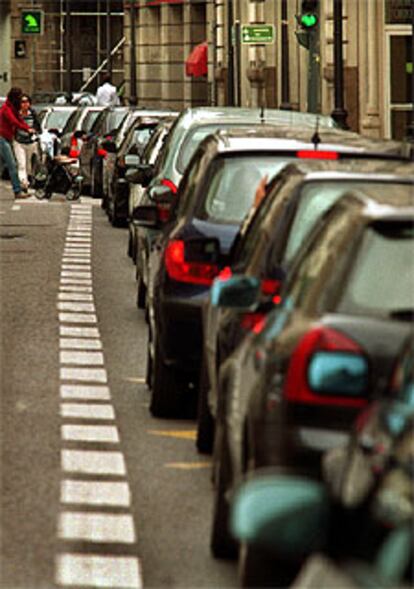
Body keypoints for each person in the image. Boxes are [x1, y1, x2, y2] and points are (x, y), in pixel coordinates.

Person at [0, 87, 34, 199]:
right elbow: (13, 121)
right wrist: (27, 129)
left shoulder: (12, 108)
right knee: (12, 165)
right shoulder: (6, 109)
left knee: (2, 165)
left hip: (7, 138)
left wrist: (27, 127)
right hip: (2, 138)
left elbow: (19, 119)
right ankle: (17, 190)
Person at [13, 94, 41, 192]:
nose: (25, 104)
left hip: (31, 143)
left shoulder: (33, 114)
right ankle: (24, 183)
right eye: (22, 102)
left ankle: (27, 180)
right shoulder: (16, 114)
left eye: (26, 102)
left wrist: (35, 132)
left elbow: (38, 127)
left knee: (29, 165)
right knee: (21, 164)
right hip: (19, 142)